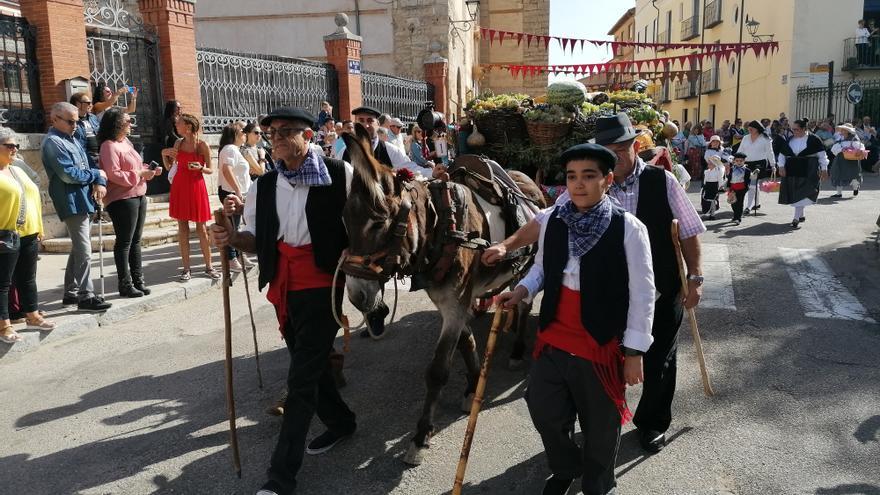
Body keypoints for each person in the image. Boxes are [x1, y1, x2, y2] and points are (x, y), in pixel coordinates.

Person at [482, 113, 705, 454]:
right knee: (602, 371)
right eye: (606, 149)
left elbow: (687, 231)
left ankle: (651, 423)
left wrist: (695, 277)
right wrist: (507, 246)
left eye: (620, 148)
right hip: (604, 297)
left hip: (658, 288)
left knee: (659, 359)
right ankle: (597, 430)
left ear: (635, 146)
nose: (613, 155)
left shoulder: (662, 181)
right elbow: (545, 222)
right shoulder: (585, 187)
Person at [209, 106, 357, 495]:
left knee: (301, 379)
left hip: (325, 284)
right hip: (283, 286)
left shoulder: (340, 174)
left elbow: (363, 224)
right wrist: (229, 237)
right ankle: (342, 423)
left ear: (307, 136)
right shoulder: (265, 186)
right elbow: (254, 238)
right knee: (310, 364)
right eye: (270, 131)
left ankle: (281, 477)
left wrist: (356, 251)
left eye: (285, 131)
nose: (275, 137)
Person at [496, 143, 654, 495]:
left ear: (608, 180)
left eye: (588, 176)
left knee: (601, 426)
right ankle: (565, 467)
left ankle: (598, 484)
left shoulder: (628, 228)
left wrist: (635, 351)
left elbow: (643, 295)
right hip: (554, 337)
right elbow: (541, 269)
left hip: (599, 342)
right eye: (571, 177)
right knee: (543, 407)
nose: (578, 184)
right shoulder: (554, 219)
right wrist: (520, 291)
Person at [42, 102, 112, 312]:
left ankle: (71, 292)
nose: (75, 125)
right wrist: (96, 175)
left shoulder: (72, 139)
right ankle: (86, 295)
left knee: (79, 247)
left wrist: (99, 180)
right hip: (70, 200)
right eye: (70, 121)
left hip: (84, 197)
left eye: (77, 121)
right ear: (55, 119)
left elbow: (89, 164)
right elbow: (68, 174)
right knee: (84, 249)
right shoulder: (53, 142)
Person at [97, 108, 162, 297]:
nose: (130, 124)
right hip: (122, 198)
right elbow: (113, 174)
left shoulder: (126, 142)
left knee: (136, 241)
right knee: (124, 242)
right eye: (127, 121)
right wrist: (140, 174)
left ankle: (138, 281)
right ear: (117, 123)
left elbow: (135, 166)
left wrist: (148, 170)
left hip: (139, 194)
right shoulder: (108, 146)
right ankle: (124, 284)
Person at [0, 127, 55, 343]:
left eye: (16, 145)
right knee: (3, 283)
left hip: (29, 232)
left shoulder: (17, 169)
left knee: (28, 278)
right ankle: (4, 326)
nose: (15, 149)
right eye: (9, 145)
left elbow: (31, 198)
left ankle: (32, 314)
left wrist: (39, 227)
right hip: (5, 234)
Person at [161, 113, 217, 281]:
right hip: (180, 186)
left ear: (189, 127)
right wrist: (164, 154)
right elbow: (170, 166)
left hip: (196, 186)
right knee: (182, 229)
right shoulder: (178, 143)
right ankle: (186, 269)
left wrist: (200, 168)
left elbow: (211, 170)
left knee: (201, 228)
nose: (176, 126)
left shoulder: (202, 145)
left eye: (179, 123)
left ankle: (209, 266)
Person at [776, 118, 829, 229]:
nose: (794, 132)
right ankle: (801, 214)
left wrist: (824, 169)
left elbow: (822, 155)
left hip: (809, 168)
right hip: (792, 168)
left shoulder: (814, 139)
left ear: (804, 129)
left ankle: (795, 219)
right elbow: (782, 154)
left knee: (804, 191)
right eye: (793, 129)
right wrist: (781, 166)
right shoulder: (790, 140)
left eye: (797, 129)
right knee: (796, 192)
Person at [218, 121, 252, 272]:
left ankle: (239, 255)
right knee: (233, 226)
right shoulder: (230, 148)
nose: (245, 134)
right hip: (231, 192)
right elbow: (227, 170)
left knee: (238, 225)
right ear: (235, 134)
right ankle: (231, 258)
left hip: (238, 192)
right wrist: (237, 190)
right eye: (243, 132)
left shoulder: (235, 150)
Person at [735, 120, 776, 215]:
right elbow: (740, 150)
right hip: (747, 163)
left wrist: (773, 165)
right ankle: (756, 203)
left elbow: (770, 152)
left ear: (757, 129)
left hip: (759, 163)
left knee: (752, 185)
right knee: (752, 184)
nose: (749, 130)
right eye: (748, 128)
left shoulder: (765, 139)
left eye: (751, 128)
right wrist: (736, 161)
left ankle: (748, 207)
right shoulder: (745, 138)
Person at [829, 123, 865, 198]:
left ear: (847, 131)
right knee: (838, 174)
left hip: (852, 160)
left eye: (843, 129)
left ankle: (855, 188)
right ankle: (839, 193)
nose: (841, 131)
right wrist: (841, 149)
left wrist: (859, 150)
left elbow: (860, 147)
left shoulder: (854, 139)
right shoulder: (840, 138)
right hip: (840, 159)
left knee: (853, 175)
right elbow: (834, 148)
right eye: (842, 129)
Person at [70, 91, 101, 167]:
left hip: (99, 155)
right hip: (85, 158)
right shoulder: (72, 120)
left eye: (91, 102)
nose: (90, 105)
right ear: (78, 104)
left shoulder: (93, 117)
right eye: (87, 102)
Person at [726, 152, 751, 225]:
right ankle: (735, 216)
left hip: (742, 189)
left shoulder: (747, 170)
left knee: (739, 203)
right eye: (737, 161)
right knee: (733, 203)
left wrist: (746, 188)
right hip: (733, 188)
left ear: (744, 161)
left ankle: (738, 218)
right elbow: (729, 178)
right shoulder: (732, 169)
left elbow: (748, 180)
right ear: (734, 161)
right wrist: (728, 186)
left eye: (741, 161)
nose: (739, 162)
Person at [701, 155, 724, 220]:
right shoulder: (706, 171)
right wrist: (704, 186)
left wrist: (720, 187)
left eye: (711, 164)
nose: (709, 165)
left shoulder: (718, 172)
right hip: (708, 186)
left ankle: (712, 214)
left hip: (714, 186)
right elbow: (705, 180)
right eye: (708, 164)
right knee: (707, 200)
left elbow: (720, 179)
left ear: (715, 164)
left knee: (713, 200)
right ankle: (708, 211)